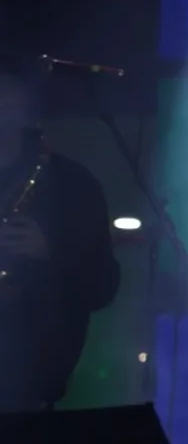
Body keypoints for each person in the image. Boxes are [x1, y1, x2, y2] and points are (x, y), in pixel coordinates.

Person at [0, 55, 121, 412]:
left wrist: (48, 252)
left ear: (27, 107)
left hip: (31, 385)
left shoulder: (72, 184)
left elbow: (103, 287)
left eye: (8, 96)